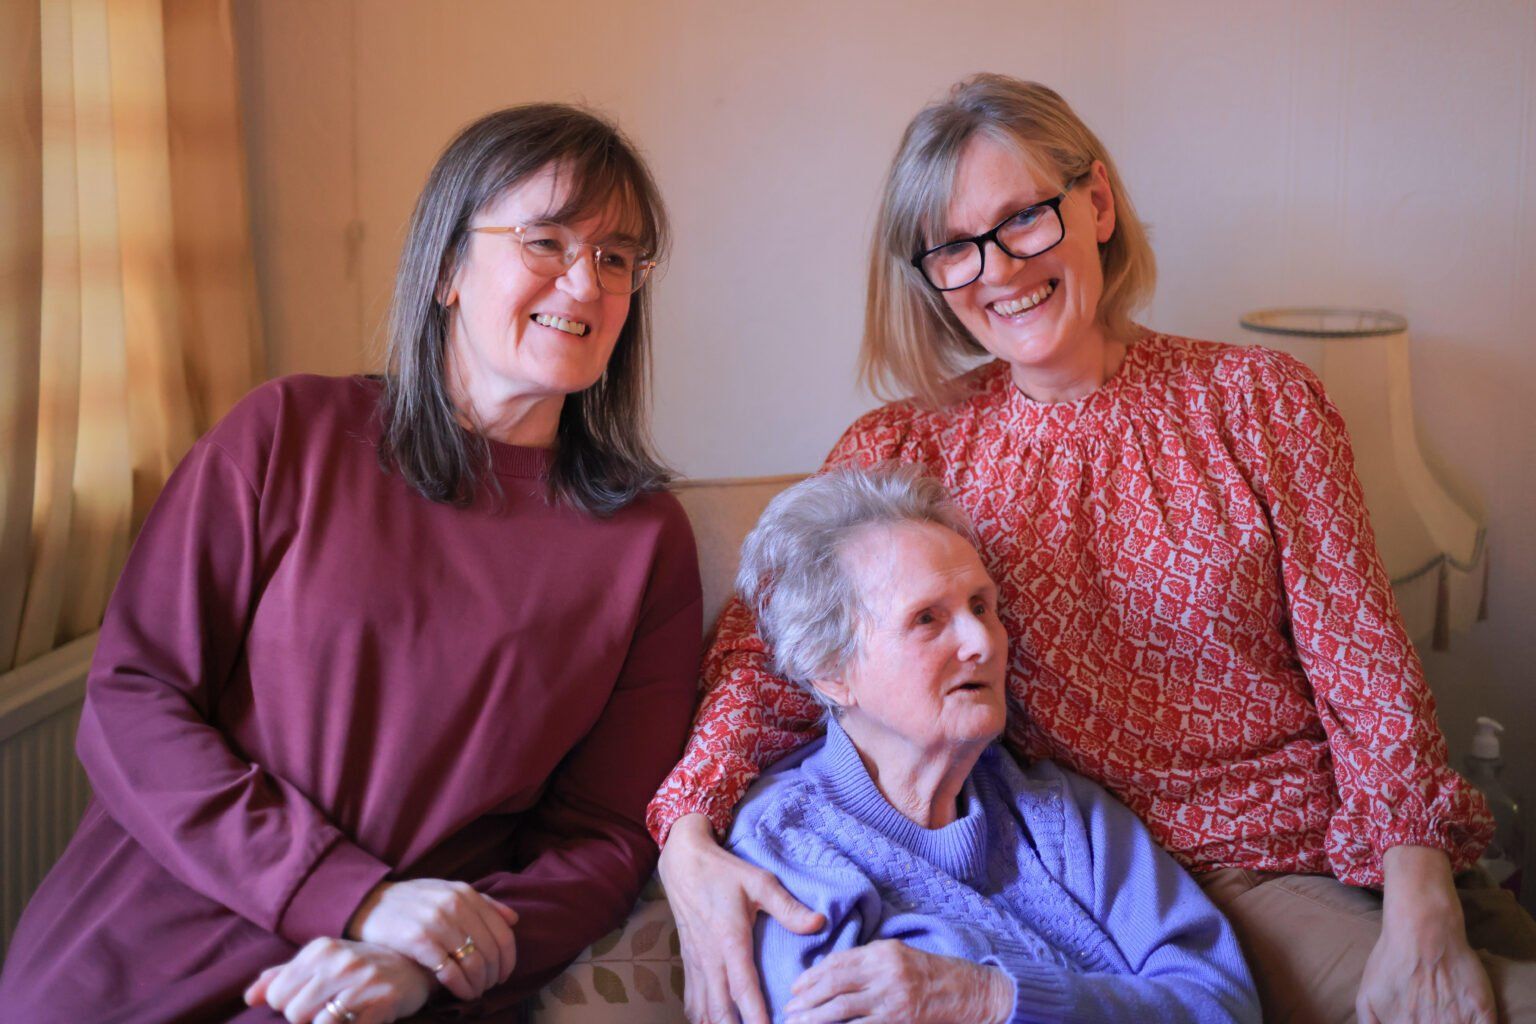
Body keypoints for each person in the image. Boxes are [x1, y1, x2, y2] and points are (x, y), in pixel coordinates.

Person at [648, 74, 1536, 1024]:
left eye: (1024, 218)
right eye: (955, 248)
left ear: (1098, 204)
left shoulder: (1259, 401)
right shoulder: (901, 451)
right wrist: (687, 839)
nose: (998, 269)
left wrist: (1424, 897)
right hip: (1126, 888)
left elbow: (1366, 673)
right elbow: (765, 660)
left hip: (1305, 856)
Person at [0, 104, 702, 1023]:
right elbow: (135, 697)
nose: (584, 281)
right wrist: (356, 896)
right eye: (546, 241)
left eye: (617, 258)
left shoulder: (647, 542)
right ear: (448, 267)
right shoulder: (288, 433)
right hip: (156, 924)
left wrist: (436, 961)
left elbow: (604, 839)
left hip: (384, 980)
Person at [724, 465, 1260, 1024]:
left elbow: (1225, 1004)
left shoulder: (1063, 816)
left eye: (982, 606)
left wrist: (993, 998)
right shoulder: (789, 849)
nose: (983, 641)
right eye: (927, 619)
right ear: (831, 670)